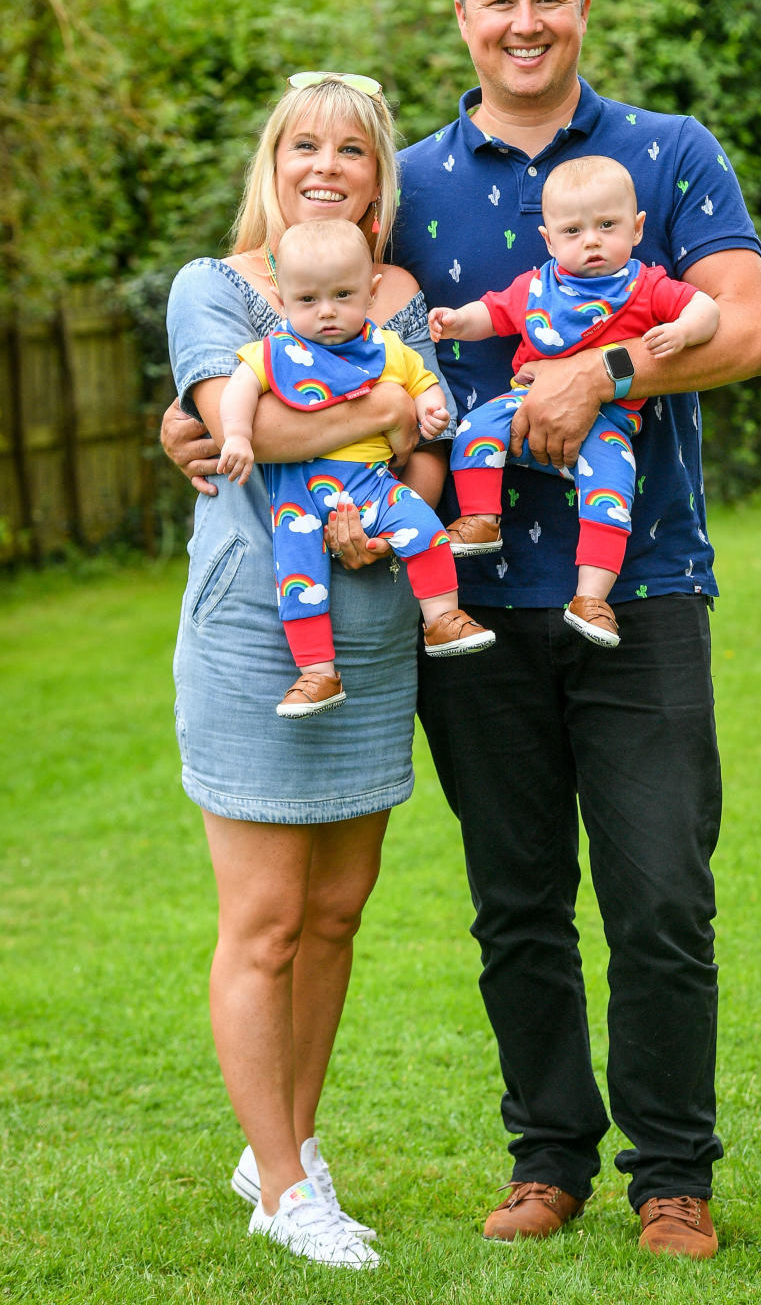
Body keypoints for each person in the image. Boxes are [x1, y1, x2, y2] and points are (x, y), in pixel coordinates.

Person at [163, 0, 761, 1260]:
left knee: (663, 891)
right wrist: (202, 419)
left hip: (644, 585)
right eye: (497, 1)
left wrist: (606, 371)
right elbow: (322, 349)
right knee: (515, 901)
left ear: (580, 7)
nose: (523, 23)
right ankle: (548, 1157)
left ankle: (672, 1174)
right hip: (473, 608)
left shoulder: (668, 154)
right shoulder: (413, 192)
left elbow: (746, 327)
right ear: (463, 19)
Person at [163, 71, 459, 1268]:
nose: (325, 163)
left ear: (378, 177)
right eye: (303, 144)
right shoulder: (217, 288)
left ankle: (282, 1143)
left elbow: (430, 470)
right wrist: (386, 414)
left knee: (335, 914)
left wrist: (394, 506)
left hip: (377, 636)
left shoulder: (410, 301)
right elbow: (255, 435)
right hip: (255, 638)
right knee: (267, 922)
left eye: (352, 147)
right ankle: (287, 1192)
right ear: (271, 162)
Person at [428, 154, 719, 646]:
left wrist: (683, 331)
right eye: (573, 231)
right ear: (548, 239)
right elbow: (493, 312)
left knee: (611, 492)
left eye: (607, 225)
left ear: (637, 228)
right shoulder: (537, 285)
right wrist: (457, 322)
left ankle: (592, 597)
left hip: (606, 425)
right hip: (523, 405)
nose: (591, 241)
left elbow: (706, 307)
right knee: (474, 429)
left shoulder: (646, 287)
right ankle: (481, 518)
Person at [218, 217, 494, 717]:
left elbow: (424, 385)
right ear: (283, 300)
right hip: (299, 497)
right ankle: (317, 673)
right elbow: (239, 388)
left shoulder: (387, 348)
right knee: (299, 578)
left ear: (370, 294)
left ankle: (442, 617)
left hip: (374, 484)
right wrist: (236, 434)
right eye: (308, 300)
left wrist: (430, 407)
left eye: (343, 296)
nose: (326, 312)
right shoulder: (276, 352)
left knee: (425, 529)